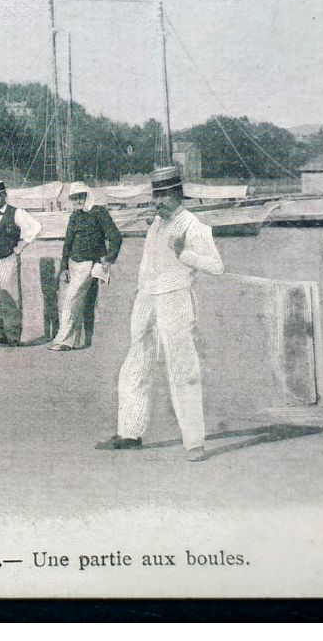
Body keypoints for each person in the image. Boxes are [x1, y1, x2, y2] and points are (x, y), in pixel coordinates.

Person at [95, 166, 224, 462]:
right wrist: (141, 291)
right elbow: (149, 262)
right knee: (134, 365)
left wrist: (185, 254)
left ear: (178, 195)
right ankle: (129, 432)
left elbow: (217, 266)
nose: (158, 202)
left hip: (176, 300)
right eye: (156, 195)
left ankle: (194, 442)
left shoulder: (193, 226)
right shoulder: (156, 223)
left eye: (164, 196)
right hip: (147, 300)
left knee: (183, 368)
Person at [49, 181, 122, 351]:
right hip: (74, 264)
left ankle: (64, 341)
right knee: (83, 303)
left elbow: (116, 236)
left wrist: (109, 259)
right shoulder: (74, 216)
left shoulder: (99, 212)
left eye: (80, 196)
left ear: (87, 195)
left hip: (90, 265)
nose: (78, 201)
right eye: (74, 198)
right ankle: (80, 341)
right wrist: (64, 268)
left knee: (71, 300)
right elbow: (68, 243)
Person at [0, 179, 41, 346]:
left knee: (11, 296)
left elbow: (36, 227)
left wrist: (21, 246)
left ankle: (13, 335)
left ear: (5, 195)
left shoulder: (17, 213)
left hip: (8, 259)